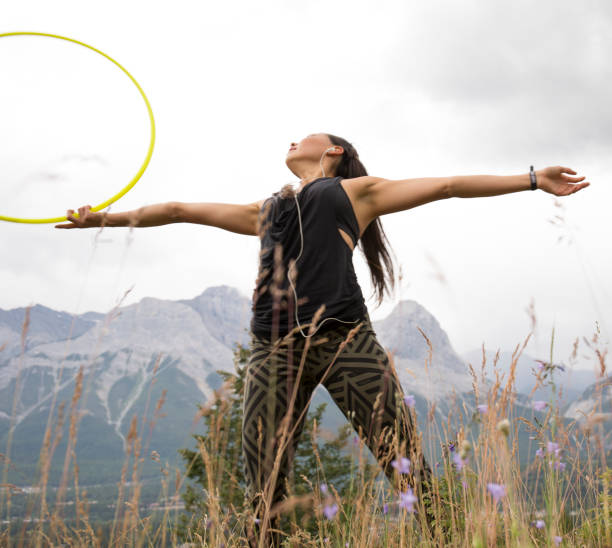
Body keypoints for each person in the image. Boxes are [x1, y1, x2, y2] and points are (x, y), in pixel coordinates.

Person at [56, 132, 590, 546]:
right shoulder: (266, 211)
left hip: (345, 340)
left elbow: (449, 185)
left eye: (305, 135)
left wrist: (530, 178)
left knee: (402, 459)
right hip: (272, 350)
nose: (292, 141)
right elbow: (174, 212)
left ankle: (447, 537)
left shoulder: (355, 192)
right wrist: (102, 220)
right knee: (263, 475)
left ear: (332, 151)